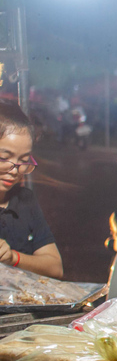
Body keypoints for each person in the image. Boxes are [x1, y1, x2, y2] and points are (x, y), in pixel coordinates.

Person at [0, 99, 63, 279]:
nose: (15, 170)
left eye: (23, 160)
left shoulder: (25, 201)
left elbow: (55, 267)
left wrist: (13, 258)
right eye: (4, 158)